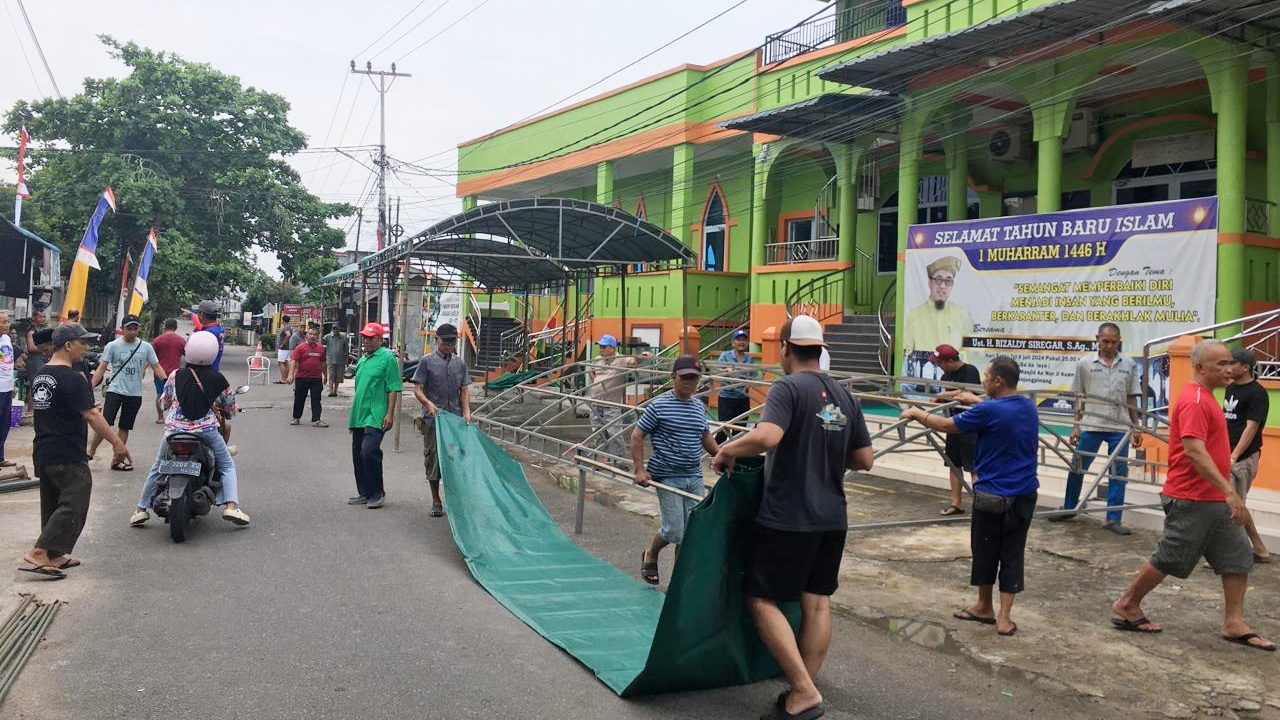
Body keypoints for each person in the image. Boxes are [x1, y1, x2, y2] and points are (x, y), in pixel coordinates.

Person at [711, 316, 874, 720]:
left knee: (761, 598)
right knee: (816, 602)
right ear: (819, 349)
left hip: (789, 515)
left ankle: (802, 689)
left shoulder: (788, 386)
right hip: (832, 517)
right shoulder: (844, 395)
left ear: (785, 347)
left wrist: (727, 449)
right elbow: (864, 460)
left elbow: (767, 436)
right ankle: (801, 690)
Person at [1111, 340, 1274, 650]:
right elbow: (1194, 451)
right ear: (1200, 369)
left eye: (1230, 363)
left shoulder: (1210, 397)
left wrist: (1224, 492)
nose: (1228, 369)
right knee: (1171, 557)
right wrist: (1230, 492)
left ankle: (1234, 622)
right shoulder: (1196, 400)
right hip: (1193, 497)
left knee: (1238, 555)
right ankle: (1127, 603)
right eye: (1221, 365)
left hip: (1213, 497)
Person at [904, 356, 1038, 638]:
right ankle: (1002, 616)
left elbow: (946, 426)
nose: (984, 380)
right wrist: (972, 399)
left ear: (998, 381)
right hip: (1025, 493)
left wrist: (918, 414)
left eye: (987, 376)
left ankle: (985, 606)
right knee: (1012, 552)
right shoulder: (1026, 406)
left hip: (993, 494)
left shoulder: (988, 412)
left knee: (985, 549)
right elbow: (997, 410)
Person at [21, 323, 131, 579]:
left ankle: (54, 555)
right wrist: (117, 442)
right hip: (67, 452)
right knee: (76, 501)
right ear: (68, 345)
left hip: (44, 449)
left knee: (53, 502)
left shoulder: (42, 375)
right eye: (83, 343)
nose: (87, 348)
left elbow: (56, 407)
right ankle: (39, 552)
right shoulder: (73, 378)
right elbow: (92, 415)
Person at [129, 331, 250, 527]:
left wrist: (170, 406)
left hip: (174, 431)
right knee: (226, 464)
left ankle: (141, 509)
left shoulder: (176, 375)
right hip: (206, 431)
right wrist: (228, 410)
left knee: (158, 466)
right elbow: (229, 407)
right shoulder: (218, 378)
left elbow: (165, 401)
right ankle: (231, 505)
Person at [631, 354, 717, 586]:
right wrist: (640, 469)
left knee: (691, 533)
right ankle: (651, 554)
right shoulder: (658, 405)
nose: (689, 383)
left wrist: (720, 457)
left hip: (693, 475)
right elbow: (637, 436)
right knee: (673, 530)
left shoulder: (699, 407)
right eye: (685, 378)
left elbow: (705, 437)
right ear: (673, 378)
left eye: (694, 379)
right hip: (667, 475)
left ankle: (680, 581)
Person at [1051, 323, 1143, 534]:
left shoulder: (1128, 364)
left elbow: (1131, 398)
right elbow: (1079, 397)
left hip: (1119, 426)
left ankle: (1113, 518)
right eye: (1105, 341)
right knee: (1077, 466)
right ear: (1097, 339)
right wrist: (1075, 426)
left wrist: (1136, 427)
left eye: (1113, 341)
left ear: (1119, 341)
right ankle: (1069, 507)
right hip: (1091, 425)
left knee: (1118, 473)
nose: (1109, 345)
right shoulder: (1085, 363)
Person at [88, 314, 167, 469]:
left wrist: (167, 382)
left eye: (135, 328)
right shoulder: (113, 346)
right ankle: (90, 451)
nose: (132, 331)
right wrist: (91, 385)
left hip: (134, 393)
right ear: (122, 329)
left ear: (138, 329)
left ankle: (117, 460)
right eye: (129, 328)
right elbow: (102, 367)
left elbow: (156, 366)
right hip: (115, 390)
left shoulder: (146, 347)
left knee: (125, 426)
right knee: (105, 422)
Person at [412, 323, 471, 518]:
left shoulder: (459, 363)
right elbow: (418, 389)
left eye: (452, 342)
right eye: (445, 341)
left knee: (456, 460)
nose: (449, 345)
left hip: (454, 420)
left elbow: (464, 389)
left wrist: (467, 412)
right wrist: (428, 403)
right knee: (433, 460)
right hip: (433, 420)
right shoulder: (426, 362)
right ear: (437, 339)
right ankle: (436, 500)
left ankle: (456, 500)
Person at [348, 322, 402, 509]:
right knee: (357, 454)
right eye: (364, 338)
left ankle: (377, 492)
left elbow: (393, 387)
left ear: (380, 339)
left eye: (370, 338)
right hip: (359, 414)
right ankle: (364, 492)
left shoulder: (387, 358)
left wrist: (390, 414)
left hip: (377, 413)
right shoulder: (363, 359)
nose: (366, 341)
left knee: (369, 451)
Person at [1224, 348, 1270, 562]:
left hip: (1244, 457)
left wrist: (1234, 456)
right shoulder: (1231, 388)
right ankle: (1259, 548)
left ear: (1245, 367)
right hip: (1228, 454)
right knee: (1235, 503)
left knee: (1233, 505)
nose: (1228, 367)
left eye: (1232, 363)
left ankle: (1235, 553)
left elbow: (1251, 428)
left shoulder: (1258, 393)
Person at [901, 256, 974, 382]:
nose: (943, 286)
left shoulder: (961, 314)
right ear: (930, 282)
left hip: (955, 378)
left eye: (948, 281)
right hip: (923, 377)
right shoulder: (915, 314)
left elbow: (968, 350)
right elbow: (907, 351)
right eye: (938, 280)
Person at [931, 344, 979, 516]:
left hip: (970, 426)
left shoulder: (970, 371)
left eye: (939, 362)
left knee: (974, 467)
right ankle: (956, 503)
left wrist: (946, 395)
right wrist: (937, 401)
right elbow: (948, 394)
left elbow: (969, 392)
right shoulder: (946, 375)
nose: (938, 366)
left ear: (950, 360)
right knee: (954, 464)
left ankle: (981, 505)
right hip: (953, 424)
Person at [588, 334, 638, 461]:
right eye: (600, 346)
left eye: (604, 347)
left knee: (614, 432)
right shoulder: (598, 359)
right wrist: (597, 382)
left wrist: (642, 358)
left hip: (611, 403)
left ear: (612, 347)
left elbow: (633, 362)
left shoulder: (621, 359)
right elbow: (590, 370)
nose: (601, 349)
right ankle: (601, 458)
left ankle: (618, 460)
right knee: (598, 432)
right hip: (595, 402)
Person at [715, 329, 757, 445]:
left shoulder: (749, 359)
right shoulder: (725, 355)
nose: (741, 342)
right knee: (724, 429)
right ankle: (714, 452)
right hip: (727, 398)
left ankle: (734, 457)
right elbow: (716, 371)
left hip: (743, 398)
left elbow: (753, 376)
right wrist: (726, 371)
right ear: (733, 342)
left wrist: (751, 381)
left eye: (744, 340)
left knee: (740, 430)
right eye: (738, 340)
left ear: (747, 343)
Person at [289, 325, 329, 427]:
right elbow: (293, 361)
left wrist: (325, 375)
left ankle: (316, 420)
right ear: (306, 335)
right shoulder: (300, 348)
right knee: (299, 398)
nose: (312, 336)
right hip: (302, 377)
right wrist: (290, 375)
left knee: (316, 399)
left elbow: (323, 363)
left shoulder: (321, 349)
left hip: (316, 378)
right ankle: (296, 418)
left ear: (318, 336)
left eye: (315, 334)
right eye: (310, 334)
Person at [151, 318, 186, 424]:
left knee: (159, 394)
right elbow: (188, 356)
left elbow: (151, 357)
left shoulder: (157, 340)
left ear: (165, 327)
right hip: (176, 374)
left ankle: (160, 417)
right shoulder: (181, 340)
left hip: (159, 373)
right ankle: (172, 416)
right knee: (176, 395)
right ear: (175, 327)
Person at [0, 312, 15, 468]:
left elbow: (7, 365)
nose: (8, 324)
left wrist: (12, 385)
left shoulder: (7, 339)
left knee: (5, 423)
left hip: (7, 386)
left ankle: (1, 457)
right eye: (4, 322)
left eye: (8, 321)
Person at [193, 300, 225, 371]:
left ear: (201, 314)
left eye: (197, 313)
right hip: (214, 369)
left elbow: (196, 354)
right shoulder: (219, 328)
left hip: (204, 372)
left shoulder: (207, 333)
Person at [323, 325, 350, 397]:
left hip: (340, 360)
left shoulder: (343, 338)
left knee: (338, 377)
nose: (335, 330)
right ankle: (331, 391)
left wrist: (346, 359)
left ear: (339, 329)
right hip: (330, 359)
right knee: (331, 376)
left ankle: (335, 390)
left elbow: (346, 350)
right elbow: (323, 347)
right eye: (334, 329)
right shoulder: (327, 337)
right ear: (332, 329)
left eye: (337, 329)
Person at [275, 316, 294, 381]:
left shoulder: (285, 327)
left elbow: (288, 335)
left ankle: (283, 378)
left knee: (281, 362)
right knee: (286, 362)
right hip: (288, 347)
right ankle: (286, 378)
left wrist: (283, 344)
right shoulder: (290, 327)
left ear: (283, 320)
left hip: (284, 348)